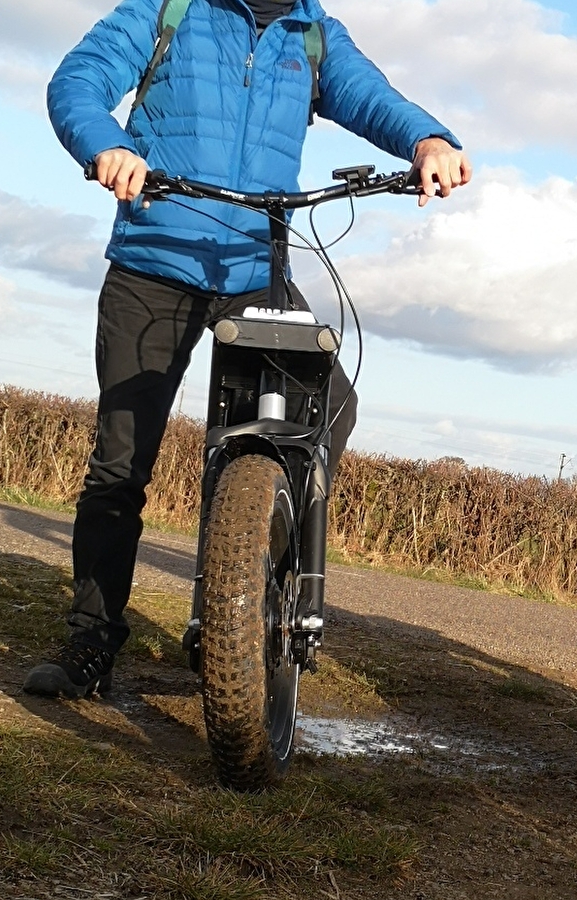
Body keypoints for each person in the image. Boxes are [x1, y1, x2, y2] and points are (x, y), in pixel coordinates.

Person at [25, 0, 470, 699]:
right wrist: (105, 146)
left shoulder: (312, 31)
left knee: (330, 407)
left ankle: (248, 589)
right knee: (119, 464)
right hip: (154, 260)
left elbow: (370, 95)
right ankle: (92, 641)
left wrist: (425, 140)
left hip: (253, 270)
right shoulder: (168, 10)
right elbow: (78, 80)